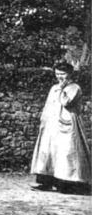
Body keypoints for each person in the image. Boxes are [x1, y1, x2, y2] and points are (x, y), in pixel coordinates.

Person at [30, 61, 91, 194]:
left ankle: (68, 184)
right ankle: (47, 181)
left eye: (63, 74)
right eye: (57, 74)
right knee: (49, 151)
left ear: (69, 74)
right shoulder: (54, 88)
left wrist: (63, 89)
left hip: (67, 123)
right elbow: (49, 105)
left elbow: (66, 102)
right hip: (52, 124)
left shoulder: (75, 88)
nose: (60, 77)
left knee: (67, 152)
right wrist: (44, 121)